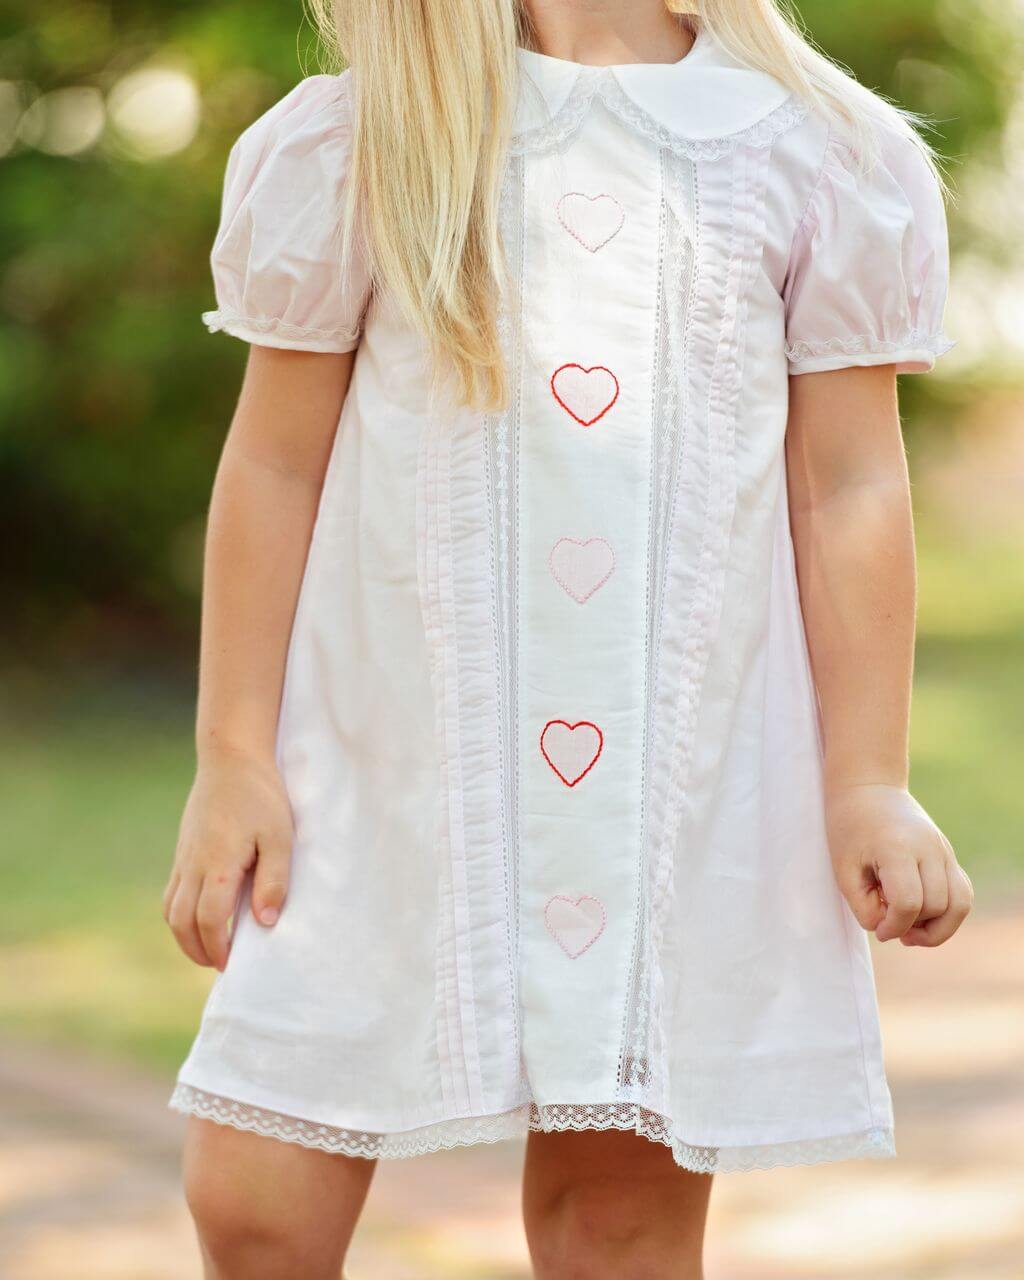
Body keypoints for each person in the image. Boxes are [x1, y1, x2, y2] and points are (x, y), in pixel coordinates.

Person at [163, 1, 973, 1275]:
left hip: (662, 789)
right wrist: (232, 755)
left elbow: (850, 490)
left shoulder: (815, 151)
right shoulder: (371, 137)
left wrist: (867, 781)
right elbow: (272, 465)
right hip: (383, 771)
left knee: (616, 1222)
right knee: (257, 1196)